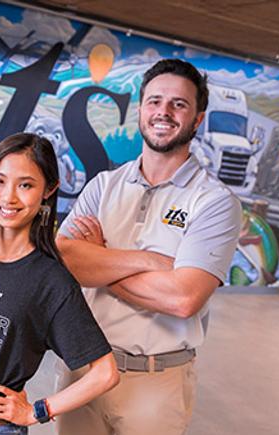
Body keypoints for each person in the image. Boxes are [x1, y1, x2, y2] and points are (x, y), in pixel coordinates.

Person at [55, 59, 242, 435]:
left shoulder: (214, 202)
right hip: (84, 370)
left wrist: (101, 258)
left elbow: (182, 299)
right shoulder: (103, 186)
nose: (164, 112)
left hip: (156, 384)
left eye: (179, 104)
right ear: (141, 110)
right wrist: (152, 262)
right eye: (155, 101)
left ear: (197, 120)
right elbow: (66, 261)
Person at [0, 132, 119, 434]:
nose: (8, 197)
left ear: (49, 189)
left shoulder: (51, 281)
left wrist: (37, 411)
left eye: (25, 185)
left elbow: (105, 373)